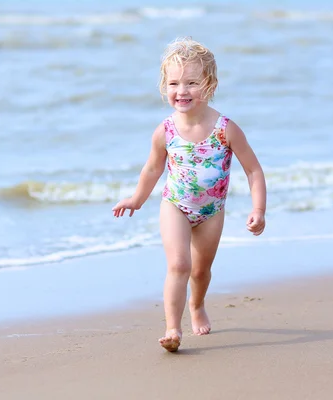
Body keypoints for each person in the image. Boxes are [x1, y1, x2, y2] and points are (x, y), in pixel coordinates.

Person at [112, 37, 267, 352]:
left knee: (200, 270)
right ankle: (172, 329)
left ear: (209, 84)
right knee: (179, 265)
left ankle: (197, 305)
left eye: (191, 83)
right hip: (175, 206)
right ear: (164, 86)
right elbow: (153, 169)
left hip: (211, 211)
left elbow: (253, 171)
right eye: (173, 83)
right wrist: (136, 199)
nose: (181, 91)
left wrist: (259, 210)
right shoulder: (165, 130)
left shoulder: (226, 129)